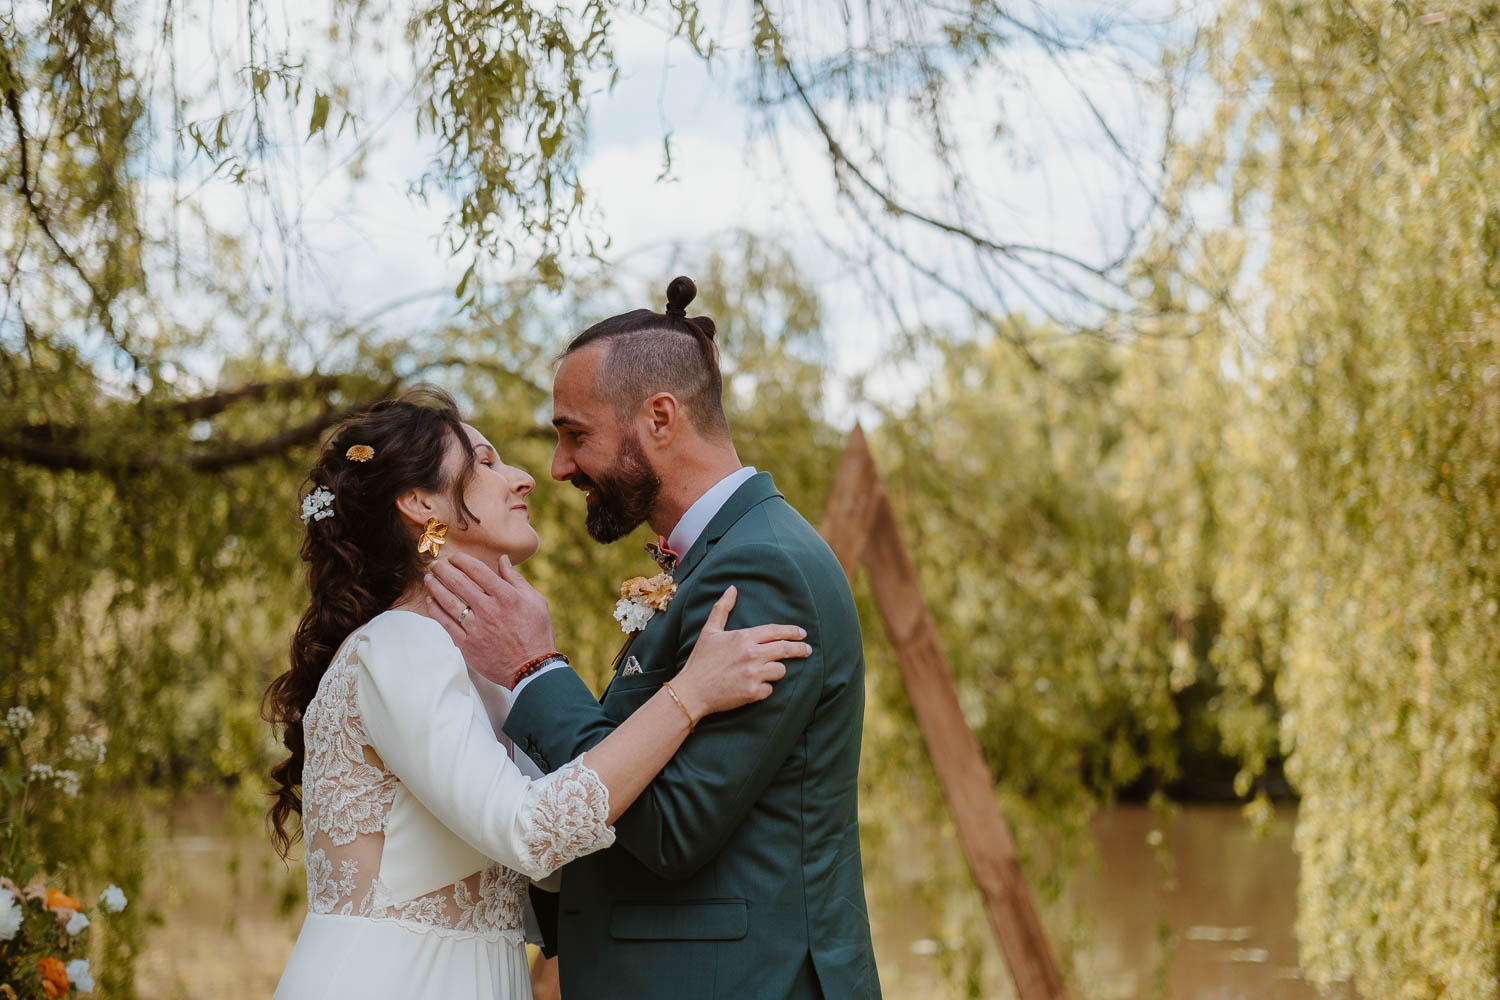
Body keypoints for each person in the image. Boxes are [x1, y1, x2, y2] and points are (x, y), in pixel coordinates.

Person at [263, 387, 811, 999]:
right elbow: (530, 831)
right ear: (419, 502)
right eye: (487, 462)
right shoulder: (399, 645)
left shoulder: (476, 666)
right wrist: (690, 694)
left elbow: (552, 869)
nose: (524, 478)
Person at [424, 277, 882, 999]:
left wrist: (534, 668)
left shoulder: (765, 568)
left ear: (660, 419)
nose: (558, 468)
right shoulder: (717, 558)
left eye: (577, 434)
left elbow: (673, 826)